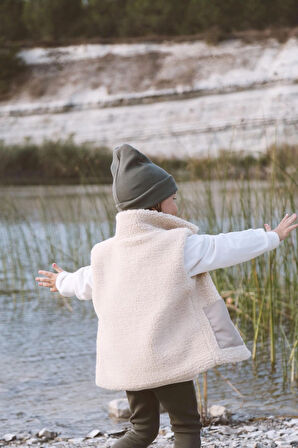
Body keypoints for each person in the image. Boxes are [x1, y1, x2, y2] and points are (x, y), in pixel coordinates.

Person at [35, 143, 297, 448]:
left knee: (141, 429)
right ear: (155, 204)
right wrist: (270, 237)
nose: (177, 207)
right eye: (173, 199)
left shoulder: (106, 252)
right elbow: (222, 247)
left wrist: (61, 280)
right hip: (164, 357)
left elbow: (85, 281)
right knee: (186, 425)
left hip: (128, 361)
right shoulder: (177, 246)